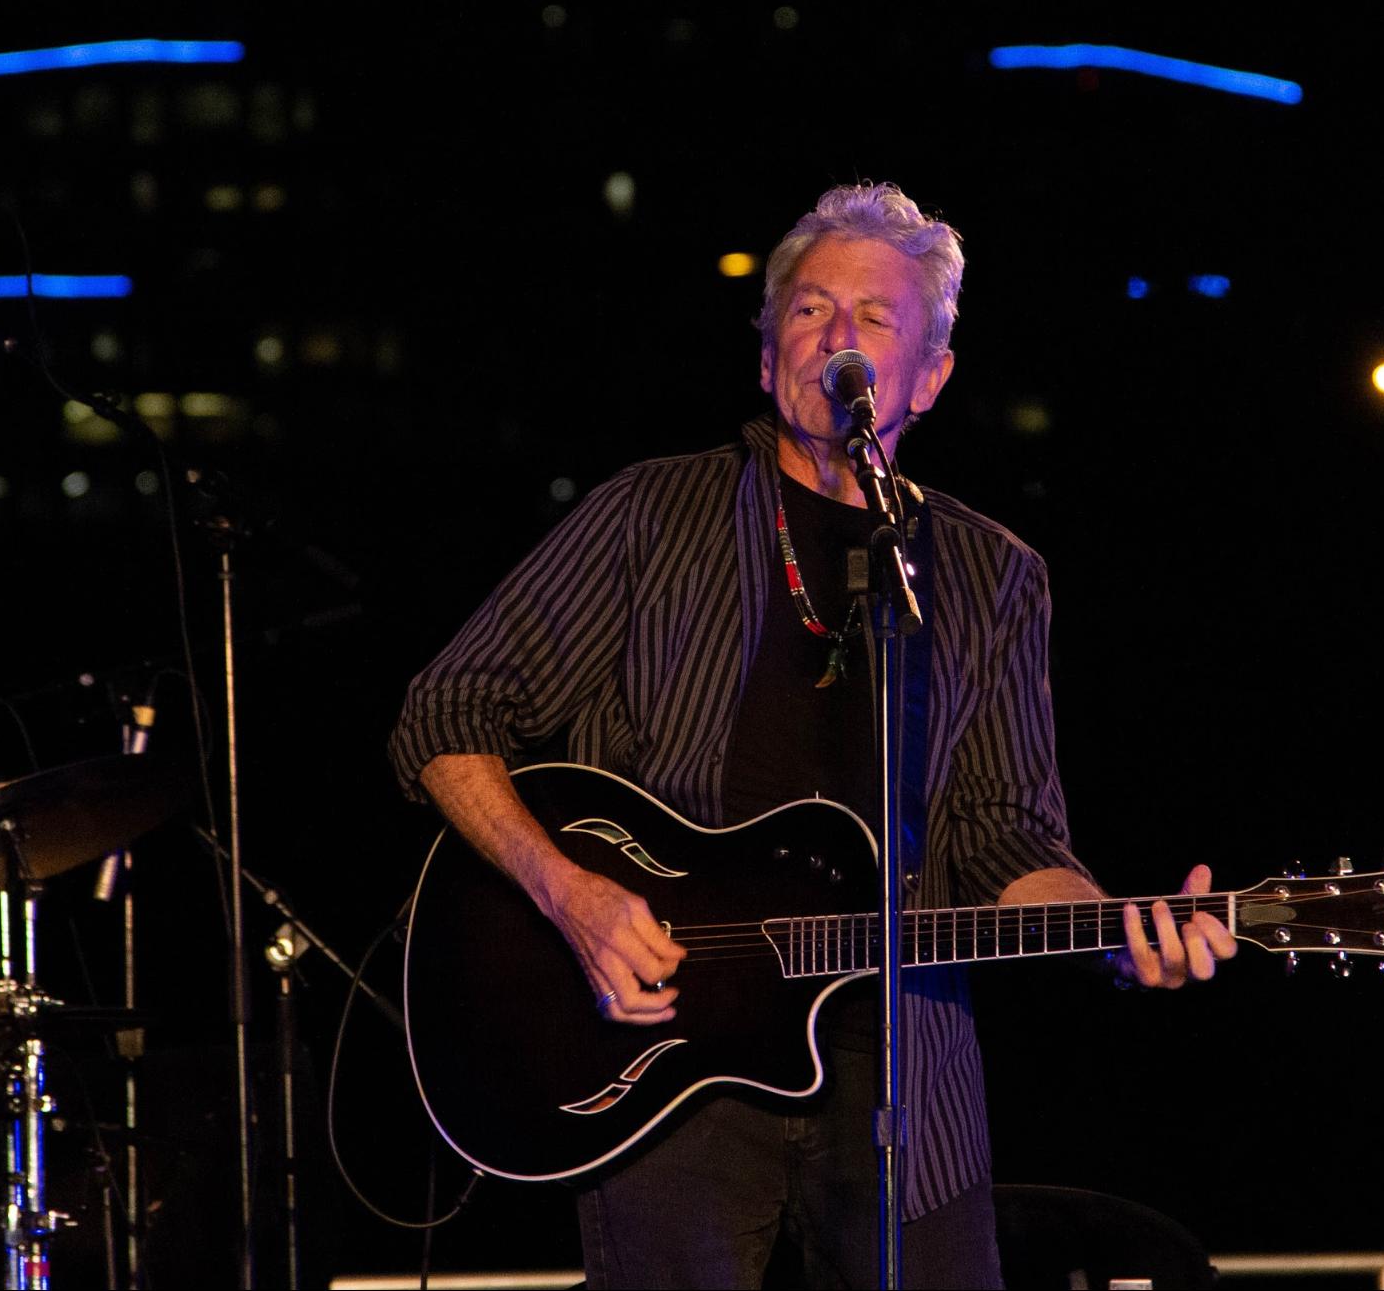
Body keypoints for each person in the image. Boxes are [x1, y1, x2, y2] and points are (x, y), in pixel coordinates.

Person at [389, 182, 1237, 1289]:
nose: (835, 338)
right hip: (659, 1066)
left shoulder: (992, 575)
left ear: (930, 374)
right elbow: (444, 714)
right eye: (806, 312)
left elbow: (1000, 836)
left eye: (874, 320)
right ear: (764, 356)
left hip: (905, 1080)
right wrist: (573, 895)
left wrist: (1111, 930)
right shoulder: (653, 514)